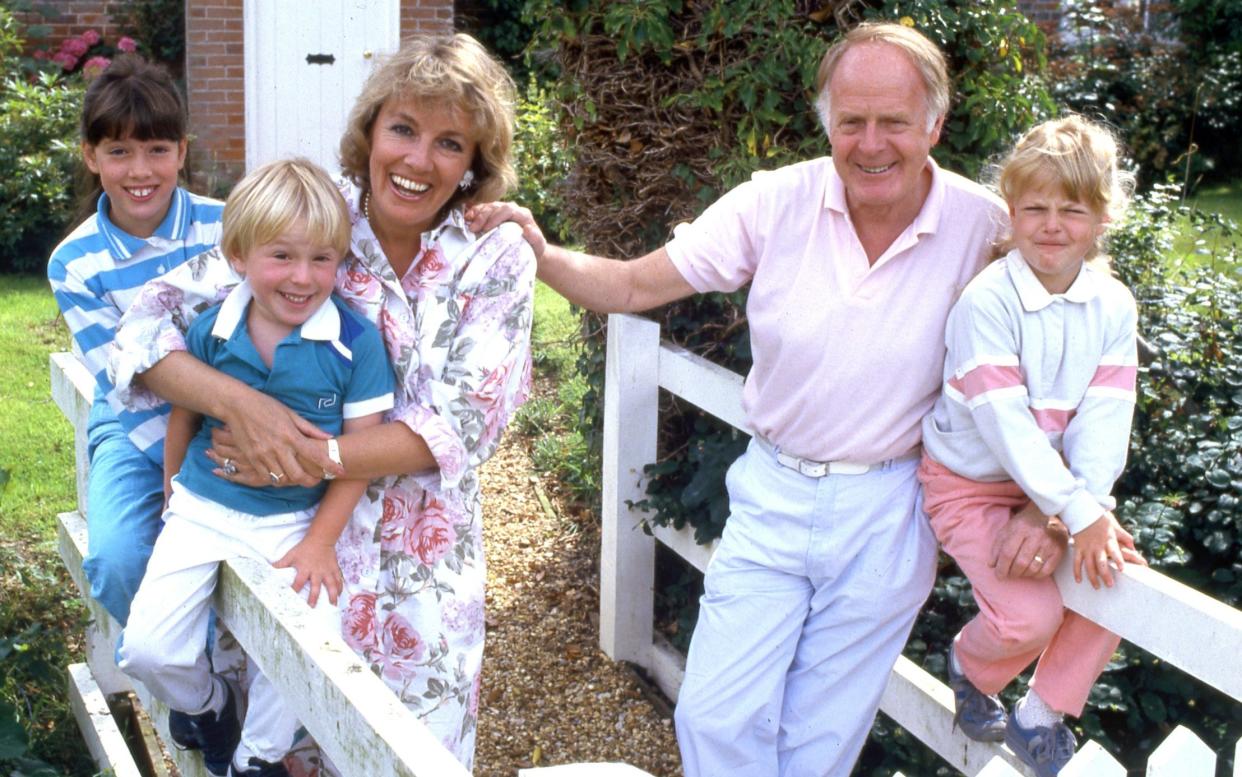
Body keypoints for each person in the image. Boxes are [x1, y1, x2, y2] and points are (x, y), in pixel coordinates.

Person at [471, 20, 1066, 777]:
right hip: (774, 492)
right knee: (715, 714)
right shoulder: (776, 203)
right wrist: (542, 253)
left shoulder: (986, 227)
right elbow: (631, 284)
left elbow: (1069, 366)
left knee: (819, 741)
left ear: (935, 125)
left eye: (895, 122)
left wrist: (1044, 502)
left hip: (890, 509)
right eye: (852, 121)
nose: (872, 143)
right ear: (827, 124)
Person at [109, 33, 535, 769]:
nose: (416, 159)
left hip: (416, 571)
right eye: (402, 128)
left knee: (409, 754)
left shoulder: (494, 256)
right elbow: (151, 322)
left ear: (474, 164)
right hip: (282, 541)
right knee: (280, 742)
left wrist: (312, 452)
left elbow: (467, 421)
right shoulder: (309, 216)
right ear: (370, 130)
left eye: (449, 143)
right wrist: (240, 404)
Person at [119, 158, 395, 777]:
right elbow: (184, 412)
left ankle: (258, 759)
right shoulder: (214, 328)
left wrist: (322, 541)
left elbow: (359, 454)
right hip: (202, 507)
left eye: (322, 259)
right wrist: (171, 490)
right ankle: (211, 707)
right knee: (146, 648)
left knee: (302, 649)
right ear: (239, 256)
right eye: (282, 257)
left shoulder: (355, 343)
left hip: (293, 523)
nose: (303, 278)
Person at [917, 116, 1145, 777]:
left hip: (1055, 485)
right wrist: (1073, 512)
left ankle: (1040, 715)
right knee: (1028, 616)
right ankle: (970, 663)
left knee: (1118, 580)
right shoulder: (986, 302)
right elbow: (1007, 429)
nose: (1051, 225)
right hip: (968, 481)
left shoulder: (1112, 306)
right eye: (1035, 207)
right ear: (1010, 211)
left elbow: (1105, 419)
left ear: (1102, 218)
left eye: (1071, 209)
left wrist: (1088, 509)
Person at [47, 55, 223, 626]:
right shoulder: (75, 264)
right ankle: (197, 695)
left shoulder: (228, 226)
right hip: (133, 417)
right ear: (91, 157)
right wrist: (184, 479)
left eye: (157, 150)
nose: (140, 170)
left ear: (182, 151)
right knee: (119, 563)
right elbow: (131, 382)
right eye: (119, 151)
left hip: (235, 412)